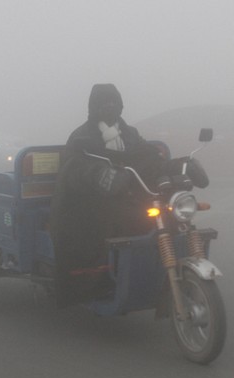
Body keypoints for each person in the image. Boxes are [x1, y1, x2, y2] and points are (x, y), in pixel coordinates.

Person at [48, 83, 168, 307]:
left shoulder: (130, 134)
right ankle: (97, 283)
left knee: (165, 215)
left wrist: (172, 167)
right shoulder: (82, 136)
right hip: (87, 203)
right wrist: (100, 175)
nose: (110, 107)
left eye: (114, 102)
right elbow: (73, 168)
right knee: (98, 228)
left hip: (127, 198)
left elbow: (147, 156)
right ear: (93, 107)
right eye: (104, 103)